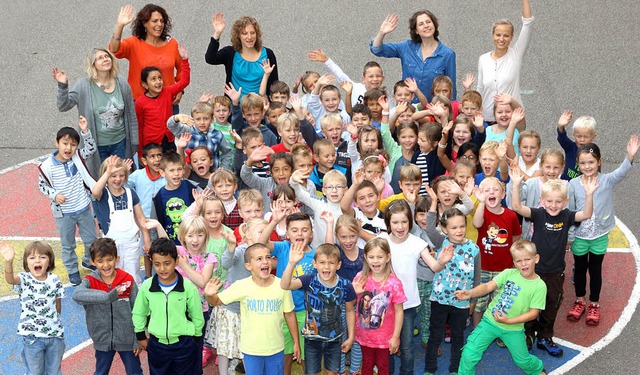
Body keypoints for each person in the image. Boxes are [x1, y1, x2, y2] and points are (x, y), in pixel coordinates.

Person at [511, 166, 597, 356]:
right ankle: (528, 334)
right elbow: (517, 207)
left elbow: (586, 214)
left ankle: (544, 336)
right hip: (534, 273)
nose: (553, 205)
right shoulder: (538, 214)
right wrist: (516, 185)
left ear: (565, 202)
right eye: (549, 201)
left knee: (551, 306)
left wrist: (589, 195)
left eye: (558, 201)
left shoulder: (567, 216)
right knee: (529, 304)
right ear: (542, 200)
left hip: (555, 273)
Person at [567, 137, 639, 326]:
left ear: (600, 161)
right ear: (578, 164)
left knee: (596, 270)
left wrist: (629, 156)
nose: (587, 166)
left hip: (599, 236)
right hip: (580, 237)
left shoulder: (606, 180)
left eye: (591, 162)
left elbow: (621, 172)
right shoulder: (573, 185)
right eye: (583, 163)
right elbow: (572, 213)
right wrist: (570, 236)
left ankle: (594, 303)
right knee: (580, 269)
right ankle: (580, 300)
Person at [378, 200, 453, 375]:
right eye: (395, 222)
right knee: (385, 344)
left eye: (404, 222)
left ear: (410, 223)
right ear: (388, 222)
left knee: (407, 346)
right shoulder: (381, 241)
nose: (400, 226)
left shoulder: (416, 242)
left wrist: (442, 261)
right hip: (385, 304)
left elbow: (434, 266)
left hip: (408, 303)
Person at [204, 244, 301, 375]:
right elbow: (216, 301)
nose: (265, 261)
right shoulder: (241, 286)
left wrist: (296, 342)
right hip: (251, 351)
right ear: (248, 266)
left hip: (276, 349)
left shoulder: (281, 285)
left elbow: (289, 314)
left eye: (268, 257)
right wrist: (209, 295)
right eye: (259, 259)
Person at [456, 240, 547, 375]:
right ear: (514, 263)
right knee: (469, 353)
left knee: (522, 361)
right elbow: (487, 286)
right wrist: (470, 293)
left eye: (527, 259)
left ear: (536, 258)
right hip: (489, 322)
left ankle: (537, 368)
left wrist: (508, 321)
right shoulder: (508, 273)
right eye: (518, 261)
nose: (523, 264)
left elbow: (534, 313)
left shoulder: (539, 286)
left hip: (513, 329)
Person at [53, 48, 138, 176]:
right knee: (99, 180)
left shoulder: (122, 83)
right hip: (96, 147)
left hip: (120, 143)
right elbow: (63, 106)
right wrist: (63, 86)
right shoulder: (83, 85)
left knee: (120, 179)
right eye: (100, 58)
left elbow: (131, 114)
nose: (105, 59)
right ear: (93, 64)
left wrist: (134, 142)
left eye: (107, 56)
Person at [422, 194, 481, 375]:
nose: (459, 230)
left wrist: (472, 301)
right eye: (454, 227)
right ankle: (430, 369)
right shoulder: (442, 241)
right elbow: (430, 228)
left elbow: (476, 277)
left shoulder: (473, 248)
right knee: (435, 336)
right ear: (445, 230)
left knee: (458, 337)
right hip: (439, 299)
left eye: (462, 226)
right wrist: (433, 203)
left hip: (461, 302)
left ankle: (455, 369)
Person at [281, 244, 357, 375]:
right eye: (322, 262)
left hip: (334, 339)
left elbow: (350, 311)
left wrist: (351, 337)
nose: (326, 267)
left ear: (338, 265)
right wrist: (291, 263)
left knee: (332, 372)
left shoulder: (346, 285)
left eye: (331, 263)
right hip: (312, 339)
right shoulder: (309, 280)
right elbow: (285, 285)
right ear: (314, 264)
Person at [132, 237, 205, 375]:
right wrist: (141, 336)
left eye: (167, 263)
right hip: (157, 346)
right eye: (157, 264)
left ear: (176, 261)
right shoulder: (147, 287)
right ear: (152, 263)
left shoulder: (188, 287)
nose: (162, 268)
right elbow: (139, 312)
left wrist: (195, 339)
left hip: (183, 344)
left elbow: (197, 316)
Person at [38, 120, 97, 285]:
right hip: (64, 213)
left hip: (84, 207)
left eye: (73, 144)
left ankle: (87, 260)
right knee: (68, 244)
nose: (68, 148)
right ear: (56, 143)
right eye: (65, 143)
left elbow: (91, 149)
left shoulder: (77, 156)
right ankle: (72, 270)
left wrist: (86, 132)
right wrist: (54, 194)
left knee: (91, 239)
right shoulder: (47, 166)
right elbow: (42, 185)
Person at [72, 238, 142, 375]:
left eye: (109, 259)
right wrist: (107, 297)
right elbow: (76, 295)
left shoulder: (127, 280)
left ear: (117, 259)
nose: (105, 265)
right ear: (92, 262)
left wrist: (137, 339)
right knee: (101, 372)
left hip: (127, 339)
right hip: (102, 340)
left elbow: (138, 310)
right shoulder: (90, 281)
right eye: (100, 261)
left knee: (135, 372)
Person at [2, 242, 65, 375]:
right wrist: (9, 262)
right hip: (32, 337)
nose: (37, 260)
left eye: (42, 257)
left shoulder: (55, 280)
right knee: (35, 372)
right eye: (32, 258)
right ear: (26, 262)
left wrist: (56, 322)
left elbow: (57, 304)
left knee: (55, 372)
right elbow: (11, 280)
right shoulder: (24, 278)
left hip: (55, 336)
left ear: (50, 260)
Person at [370, 11, 456, 102]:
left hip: (432, 109)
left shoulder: (447, 54)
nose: (426, 26)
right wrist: (382, 33)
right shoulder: (406, 47)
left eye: (428, 22)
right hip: (407, 109)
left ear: (434, 25)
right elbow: (377, 50)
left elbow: (451, 88)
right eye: (421, 24)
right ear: (416, 31)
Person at [92, 156, 151, 285]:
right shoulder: (104, 194)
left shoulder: (131, 193)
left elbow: (141, 218)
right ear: (106, 176)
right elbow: (95, 192)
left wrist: (146, 238)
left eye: (121, 175)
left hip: (131, 242)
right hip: (111, 244)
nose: (117, 179)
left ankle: (135, 299)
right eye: (113, 176)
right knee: (113, 274)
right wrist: (108, 171)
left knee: (133, 275)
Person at [109, 4, 184, 104]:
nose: (159, 24)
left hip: (167, 102)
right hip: (140, 103)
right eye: (155, 21)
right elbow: (114, 49)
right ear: (145, 23)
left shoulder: (172, 44)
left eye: (162, 21)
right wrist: (120, 25)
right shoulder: (134, 43)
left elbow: (182, 68)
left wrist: (180, 89)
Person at [477, 0, 534, 122]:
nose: (501, 39)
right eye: (498, 35)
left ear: (512, 37)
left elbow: (528, 23)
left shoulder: (516, 54)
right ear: (493, 36)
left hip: (511, 118)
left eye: (506, 35)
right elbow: (480, 89)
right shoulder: (483, 59)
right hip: (487, 119)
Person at [206, 12, 278, 98]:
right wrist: (217, 33)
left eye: (252, 33)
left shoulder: (268, 54)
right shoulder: (230, 53)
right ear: (238, 36)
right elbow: (210, 58)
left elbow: (274, 84)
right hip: (236, 106)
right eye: (245, 33)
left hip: (261, 108)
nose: (249, 37)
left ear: (257, 34)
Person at [135, 45, 191, 154]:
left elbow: (184, 81)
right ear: (145, 85)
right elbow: (140, 127)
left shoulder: (167, 92)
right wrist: (140, 151)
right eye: (153, 79)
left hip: (168, 140)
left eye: (160, 78)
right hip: (151, 144)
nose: (158, 82)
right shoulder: (140, 103)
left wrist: (184, 60)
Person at [556, 110, 597, 181]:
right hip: (565, 185)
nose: (582, 139)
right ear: (574, 135)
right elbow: (562, 137)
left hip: (582, 189)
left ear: (593, 137)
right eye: (578, 136)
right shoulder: (570, 147)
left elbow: (596, 174)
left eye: (586, 137)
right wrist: (561, 126)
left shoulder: (594, 153)